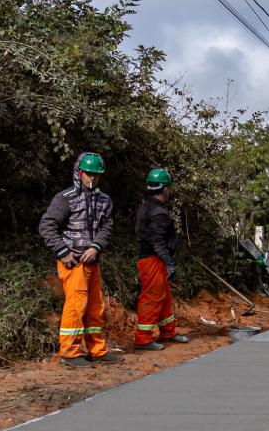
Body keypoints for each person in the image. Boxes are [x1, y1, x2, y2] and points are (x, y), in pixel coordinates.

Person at [38, 152, 123, 368]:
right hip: (72, 262)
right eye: (88, 174)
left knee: (95, 307)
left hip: (92, 261)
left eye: (96, 174)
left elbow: (107, 226)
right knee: (76, 306)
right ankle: (69, 353)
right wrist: (63, 251)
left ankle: (97, 350)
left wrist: (96, 247)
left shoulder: (105, 200)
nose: (92, 178)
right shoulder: (65, 198)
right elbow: (47, 225)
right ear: (79, 172)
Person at [134, 168, 188, 350]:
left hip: (154, 259)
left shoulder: (148, 207)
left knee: (164, 297)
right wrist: (169, 262)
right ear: (165, 189)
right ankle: (143, 339)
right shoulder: (158, 213)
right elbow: (157, 241)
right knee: (152, 298)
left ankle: (168, 332)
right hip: (153, 260)